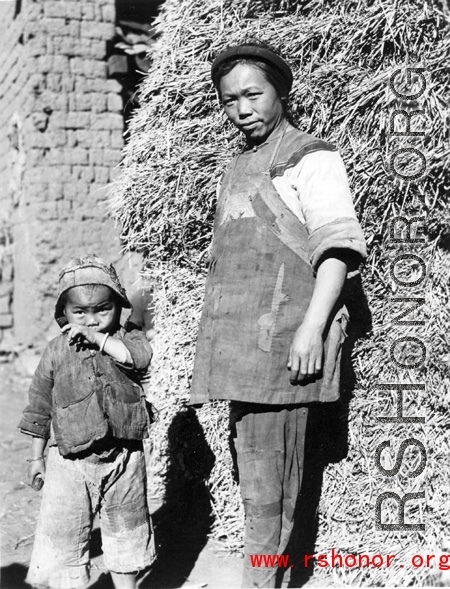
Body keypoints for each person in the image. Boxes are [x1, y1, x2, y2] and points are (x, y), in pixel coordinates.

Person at [189, 42, 367, 587]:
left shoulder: (311, 157)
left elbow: (335, 249)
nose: (241, 108)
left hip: (284, 346)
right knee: (256, 481)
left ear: (280, 93)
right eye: (228, 100)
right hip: (242, 347)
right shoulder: (238, 165)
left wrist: (312, 327)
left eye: (252, 94)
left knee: (274, 487)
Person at [18, 254, 155, 589]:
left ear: (118, 307)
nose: (91, 321)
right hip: (69, 464)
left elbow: (139, 360)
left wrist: (101, 342)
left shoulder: (127, 340)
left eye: (102, 310)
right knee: (66, 543)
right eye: (80, 312)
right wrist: (36, 458)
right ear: (63, 313)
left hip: (124, 459)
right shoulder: (55, 351)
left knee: (128, 537)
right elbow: (39, 408)